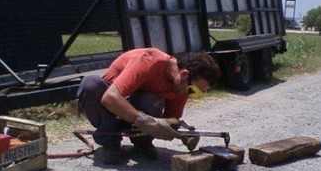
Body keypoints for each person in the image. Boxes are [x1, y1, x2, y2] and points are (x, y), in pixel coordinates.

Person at [77, 47, 221, 164]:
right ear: (183, 75)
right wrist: (146, 122)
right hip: (110, 110)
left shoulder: (181, 87)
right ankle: (111, 143)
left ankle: (142, 142)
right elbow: (110, 98)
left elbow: (171, 118)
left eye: (197, 93)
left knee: (150, 100)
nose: (191, 94)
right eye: (193, 90)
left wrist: (183, 133)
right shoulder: (149, 61)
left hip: (132, 111)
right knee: (90, 85)